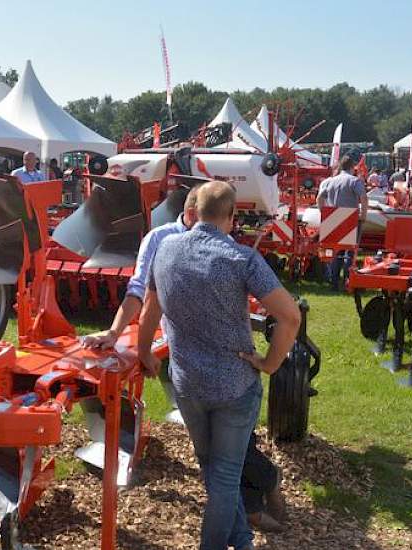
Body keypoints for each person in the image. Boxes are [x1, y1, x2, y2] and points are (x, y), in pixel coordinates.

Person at [137, 180, 300, 550]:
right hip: (234, 386)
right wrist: (270, 364)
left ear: (193, 210)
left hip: (187, 383)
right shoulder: (241, 258)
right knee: (224, 478)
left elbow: (149, 310)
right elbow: (290, 317)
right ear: (231, 216)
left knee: (213, 472)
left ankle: (241, 541)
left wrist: (145, 352)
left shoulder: (164, 248)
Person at [82, 186, 202, 426]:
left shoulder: (223, 240)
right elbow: (139, 291)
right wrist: (114, 332)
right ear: (191, 214)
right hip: (177, 341)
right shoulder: (159, 239)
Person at [317, 154, 368, 291]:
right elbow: (363, 197)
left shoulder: (328, 181)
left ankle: (334, 283)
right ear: (353, 167)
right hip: (350, 219)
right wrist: (363, 214)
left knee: (334, 251)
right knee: (350, 252)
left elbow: (319, 198)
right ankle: (347, 280)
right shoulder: (354, 181)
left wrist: (324, 213)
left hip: (332, 219)